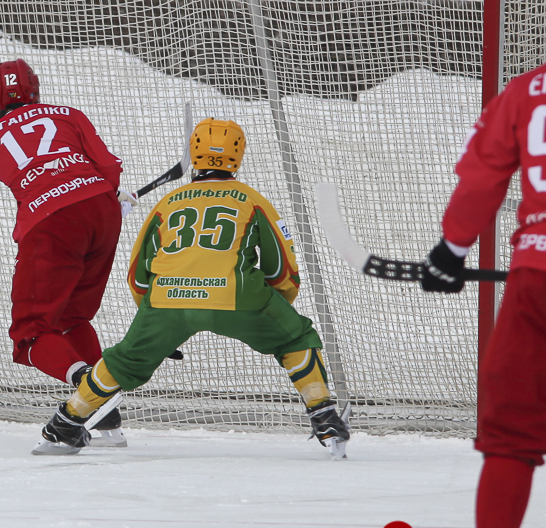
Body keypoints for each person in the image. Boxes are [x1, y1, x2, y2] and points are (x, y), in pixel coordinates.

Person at [36, 118, 351, 457]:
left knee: (123, 360)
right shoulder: (253, 200)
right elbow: (282, 271)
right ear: (238, 155)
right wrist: (277, 308)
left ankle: (65, 423)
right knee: (296, 338)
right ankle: (323, 415)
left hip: (166, 301)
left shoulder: (168, 203)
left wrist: (155, 323)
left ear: (195, 153)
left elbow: (139, 275)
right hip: (238, 296)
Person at [420, 62, 546, 528]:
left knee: (511, 435)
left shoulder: (528, 89)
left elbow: (483, 175)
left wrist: (451, 250)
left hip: (535, 279)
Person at [0, 58, 134, 448]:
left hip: (50, 222)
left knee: (30, 333)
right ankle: (108, 422)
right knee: (71, 317)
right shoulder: (67, 114)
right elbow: (106, 166)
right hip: (101, 212)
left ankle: (89, 391)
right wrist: (112, 198)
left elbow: (35, 181)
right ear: (34, 88)